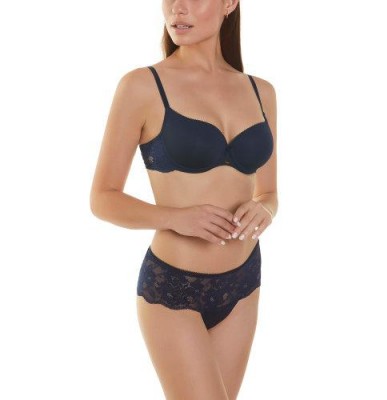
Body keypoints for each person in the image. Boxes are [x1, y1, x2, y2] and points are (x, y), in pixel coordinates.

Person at [90, 0, 278, 399]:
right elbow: (102, 198)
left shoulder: (261, 91)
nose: (177, 7)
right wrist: (175, 217)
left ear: (229, 3)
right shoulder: (142, 86)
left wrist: (265, 208)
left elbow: (269, 192)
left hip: (244, 282)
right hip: (174, 288)